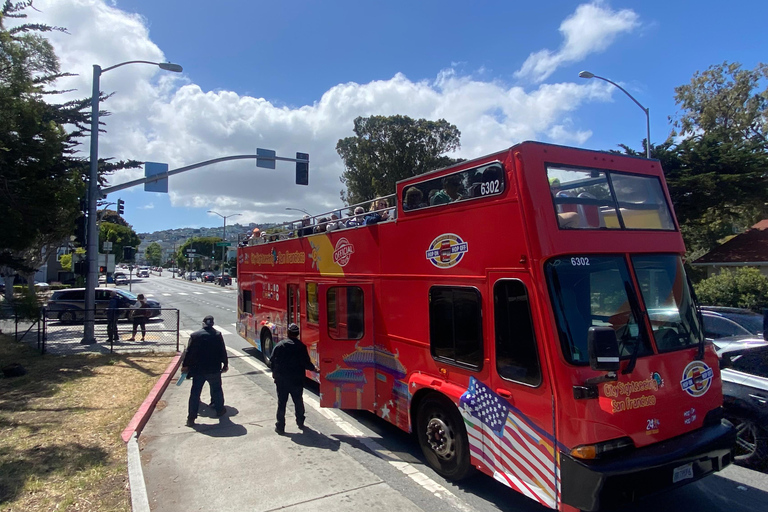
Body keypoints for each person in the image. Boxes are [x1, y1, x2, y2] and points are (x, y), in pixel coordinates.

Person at [181, 315, 229, 427]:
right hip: (214, 369)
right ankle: (219, 410)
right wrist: (225, 364)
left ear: (203, 323)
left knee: (195, 393)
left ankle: (191, 418)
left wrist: (185, 365)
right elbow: (222, 351)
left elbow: (189, 353)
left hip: (198, 370)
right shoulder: (217, 335)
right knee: (217, 390)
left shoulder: (195, 336)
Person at [271, 323, 318, 434]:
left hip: (282, 380)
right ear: (297, 334)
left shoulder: (280, 345)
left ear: (288, 333)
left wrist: (275, 375)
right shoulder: (301, 347)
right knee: (298, 401)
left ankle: (280, 426)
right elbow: (306, 363)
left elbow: (272, 361)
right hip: (297, 380)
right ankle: (300, 421)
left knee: (282, 403)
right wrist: (315, 369)